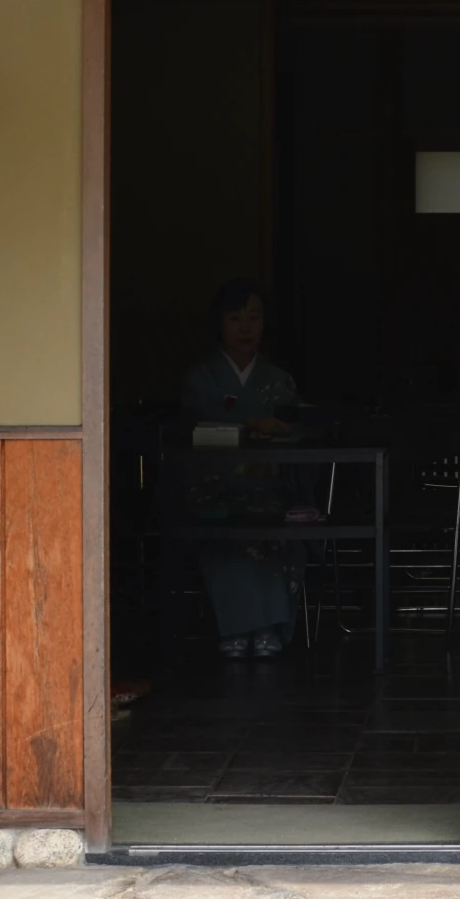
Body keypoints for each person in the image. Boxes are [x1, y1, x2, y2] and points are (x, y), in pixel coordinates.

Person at [178, 279, 302, 659]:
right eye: (235, 318)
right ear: (219, 324)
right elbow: (194, 425)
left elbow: (295, 428)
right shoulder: (200, 379)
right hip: (215, 486)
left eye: (254, 317)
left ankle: (267, 627)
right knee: (225, 533)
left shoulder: (279, 381)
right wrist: (254, 423)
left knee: (275, 529)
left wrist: (280, 432)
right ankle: (241, 628)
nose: (246, 327)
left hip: (267, 488)